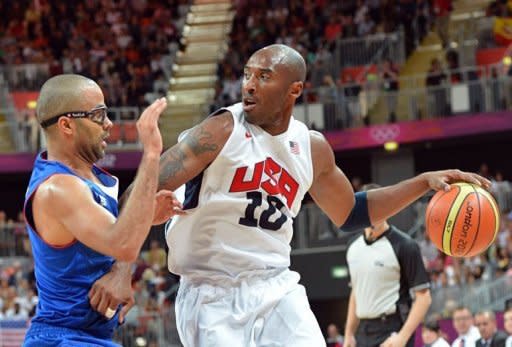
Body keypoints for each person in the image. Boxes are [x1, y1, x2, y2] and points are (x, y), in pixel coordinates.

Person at [154, 44, 490, 346]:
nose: (249, 85)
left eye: (264, 76)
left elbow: (351, 213)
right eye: (247, 75)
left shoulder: (311, 148)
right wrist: (121, 268)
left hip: (275, 284)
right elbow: (147, 183)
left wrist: (421, 183)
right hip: (210, 290)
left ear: (295, 89)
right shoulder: (222, 129)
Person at [22, 74, 181, 346]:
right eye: (98, 114)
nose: (109, 124)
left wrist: (121, 272)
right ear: (66, 125)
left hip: (90, 336)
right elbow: (124, 244)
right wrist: (152, 153)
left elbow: (120, 244)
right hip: (63, 338)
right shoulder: (58, 188)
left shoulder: (90, 179)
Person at [344, 183, 431, 347]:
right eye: (367, 208)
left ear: (387, 208)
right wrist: (349, 333)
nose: (372, 214)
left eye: (377, 207)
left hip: (392, 328)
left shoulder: (405, 245)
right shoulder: (352, 246)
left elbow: (424, 297)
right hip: (363, 331)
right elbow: (356, 291)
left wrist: (403, 337)